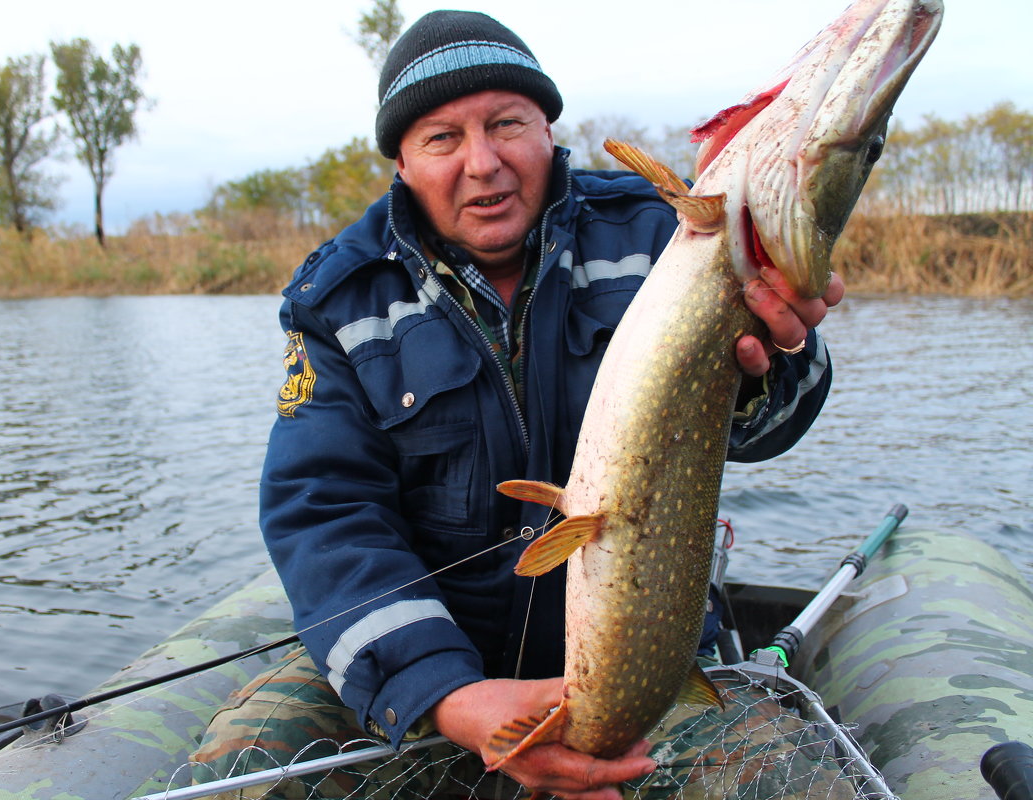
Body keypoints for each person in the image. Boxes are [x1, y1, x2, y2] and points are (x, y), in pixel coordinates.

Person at [192, 10, 843, 800]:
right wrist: (452, 697)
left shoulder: (659, 235)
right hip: (438, 666)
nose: (484, 163)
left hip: (651, 663)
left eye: (507, 124)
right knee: (242, 776)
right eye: (441, 138)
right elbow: (325, 512)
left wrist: (782, 358)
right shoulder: (342, 297)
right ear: (400, 160)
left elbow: (769, 429)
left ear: (547, 128)